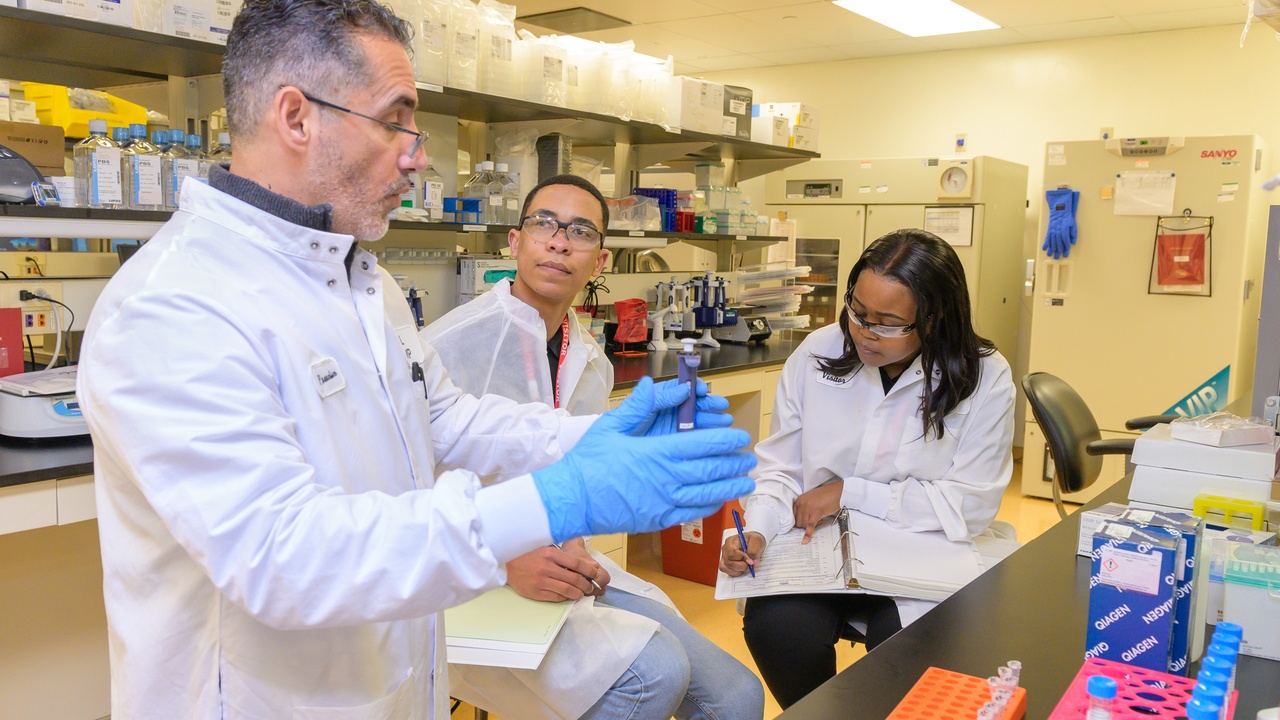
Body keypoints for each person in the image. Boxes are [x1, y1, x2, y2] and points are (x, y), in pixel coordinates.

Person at [74, 0, 757, 717]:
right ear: (296, 116)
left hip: (394, 684)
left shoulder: (357, 281)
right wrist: (556, 500)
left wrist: (597, 439)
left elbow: (446, 421)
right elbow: (285, 557)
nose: (418, 152)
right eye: (395, 118)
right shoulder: (175, 304)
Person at [423, 174, 766, 720]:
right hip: (461, 582)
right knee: (655, 676)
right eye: (544, 225)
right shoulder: (445, 347)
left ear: (600, 261)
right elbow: (399, 490)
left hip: (562, 565)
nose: (560, 241)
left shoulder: (592, 363)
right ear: (515, 242)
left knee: (737, 697)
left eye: (580, 231)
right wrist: (499, 559)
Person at [718, 228, 1016, 709]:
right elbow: (781, 470)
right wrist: (757, 528)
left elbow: (969, 504)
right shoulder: (816, 352)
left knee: (904, 655)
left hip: (924, 554)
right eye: (857, 311)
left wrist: (848, 493)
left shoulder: (984, 376)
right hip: (820, 551)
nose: (863, 331)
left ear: (935, 319)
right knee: (778, 629)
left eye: (888, 322)